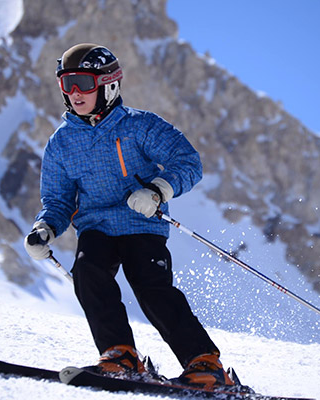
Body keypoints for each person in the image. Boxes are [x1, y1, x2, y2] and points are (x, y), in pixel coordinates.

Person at [23, 43, 234, 388]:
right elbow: (59, 200)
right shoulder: (61, 143)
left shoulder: (139, 126)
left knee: (150, 285)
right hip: (96, 227)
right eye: (66, 83)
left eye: (83, 83)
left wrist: (158, 191)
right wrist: (45, 227)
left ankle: (205, 363)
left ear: (107, 85)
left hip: (141, 223)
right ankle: (120, 356)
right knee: (88, 273)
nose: (74, 93)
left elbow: (187, 161)